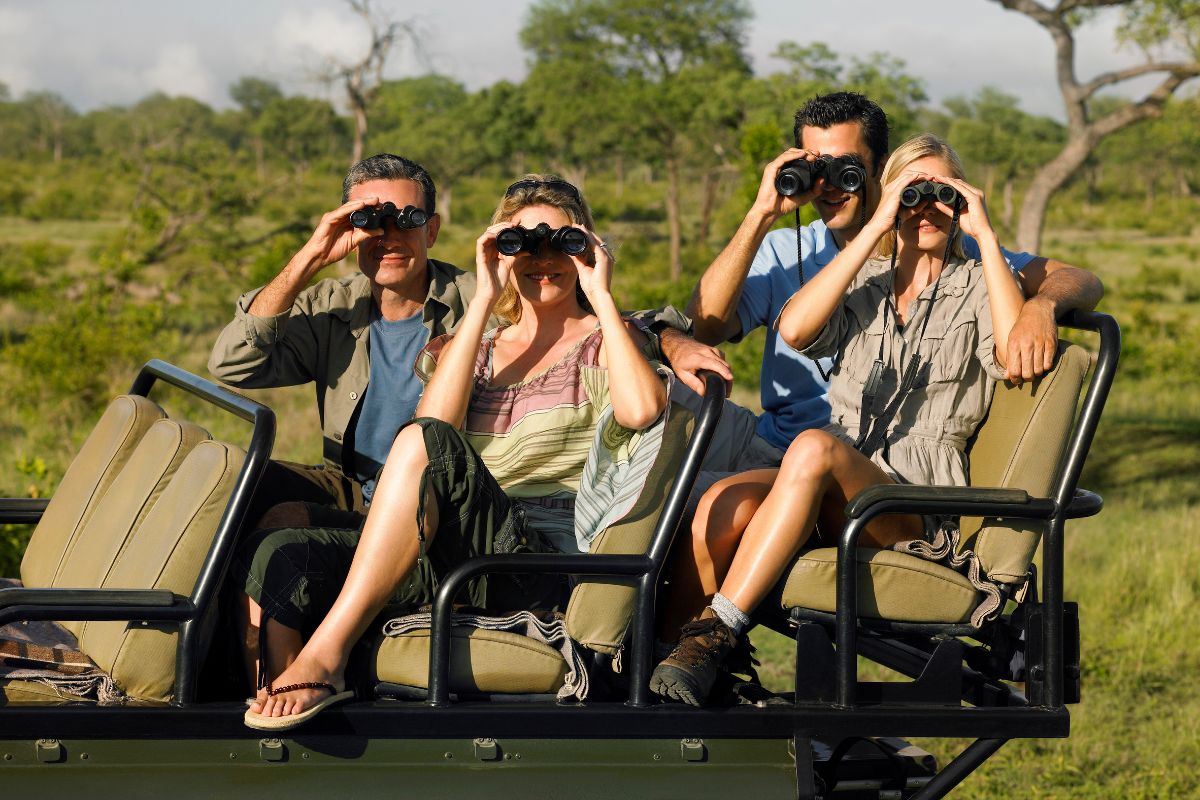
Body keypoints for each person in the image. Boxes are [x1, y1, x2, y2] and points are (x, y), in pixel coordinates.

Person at [658, 93, 1104, 637]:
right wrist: (765, 211)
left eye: (846, 170)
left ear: (876, 174)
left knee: (809, 452)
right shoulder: (841, 272)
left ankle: (715, 635)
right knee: (709, 502)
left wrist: (1040, 300)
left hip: (880, 477)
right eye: (814, 168)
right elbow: (717, 325)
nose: (827, 185)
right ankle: (667, 662)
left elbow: (1073, 279)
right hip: (800, 453)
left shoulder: (970, 269)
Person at [240, 175, 669, 730]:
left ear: (587, 248)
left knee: (421, 442)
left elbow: (641, 412)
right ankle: (286, 709)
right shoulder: (482, 345)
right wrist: (487, 295)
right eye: (522, 245)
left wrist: (604, 296)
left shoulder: (604, 340)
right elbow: (436, 420)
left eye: (560, 243)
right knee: (283, 552)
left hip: (538, 558)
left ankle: (324, 660)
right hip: (462, 547)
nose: (543, 260)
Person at [652, 134, 1026, 706]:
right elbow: (798, 329)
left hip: (913, 510)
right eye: (912, 194)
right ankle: (658, 671)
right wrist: (877, 228)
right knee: (720, 504)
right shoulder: (864, 284)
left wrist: (987, 236)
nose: (926, 209)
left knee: (812, 448)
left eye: (942, 194)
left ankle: (718, 634)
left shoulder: (982, 285)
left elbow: (1008, 353)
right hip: (830, 483)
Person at [208, 153, 468, 530]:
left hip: (434, 505)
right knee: (224, 484)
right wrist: (311, 257)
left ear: (430, 230)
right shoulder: (332, 306)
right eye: (372, 222)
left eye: (407, 220)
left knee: (282, 529)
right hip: (349, 488)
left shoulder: (478, 306)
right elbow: (232, 362)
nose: (389, 237)